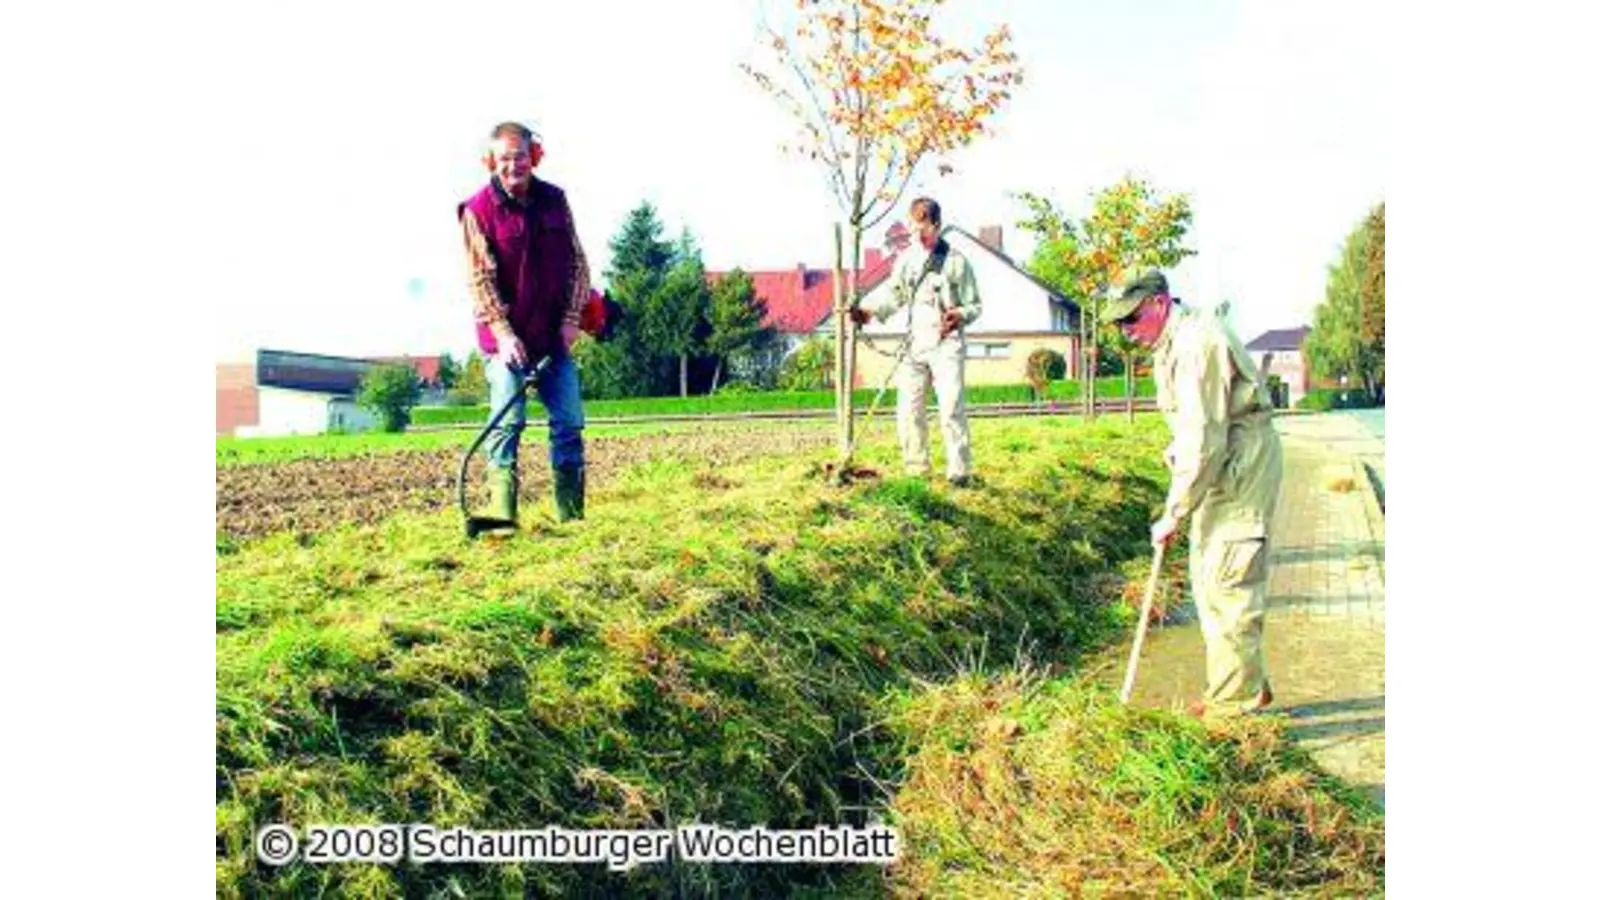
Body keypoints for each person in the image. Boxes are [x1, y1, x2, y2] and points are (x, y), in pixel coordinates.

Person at [1102, 268, 1284, 718]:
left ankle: (1235, 705)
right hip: (1218, 461)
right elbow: (1195, 421)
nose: (1127, 333)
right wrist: (1177, 447)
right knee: (1208, 578)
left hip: (1239, 468)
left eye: (1132, 319)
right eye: (1119, 324)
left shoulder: (1197, 343)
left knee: (1230, 579)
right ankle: (1242, 684)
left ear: (1160, 303)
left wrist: (1173, 513)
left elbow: (1207, 438)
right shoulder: (1170, 343)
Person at [458, 121, 593, 527]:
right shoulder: (478, 210)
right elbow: (480, 279)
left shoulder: (555, 201)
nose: (512, 166)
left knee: (569, 422)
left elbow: (577, 264)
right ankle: (502, 515)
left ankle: (572, 517)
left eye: (520, 157)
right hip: (505, 340)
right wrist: (503, 334)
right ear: (490, 162)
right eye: (504, 158)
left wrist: (571, 319)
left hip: (551, 336)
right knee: (508, 422)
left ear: (533, 157)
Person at [850, 197, 983, 486]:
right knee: (909, 409)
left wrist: (959, 315)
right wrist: (869, 312)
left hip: (947, 344)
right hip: (914, 341)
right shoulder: (906, 259)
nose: (916, 232)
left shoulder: (957, 262)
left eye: (921, 225)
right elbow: (895, 295)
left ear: (936, 225)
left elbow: (975, 305)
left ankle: (959, 472)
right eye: (913, 225)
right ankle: (916, 469)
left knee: (951, 408)